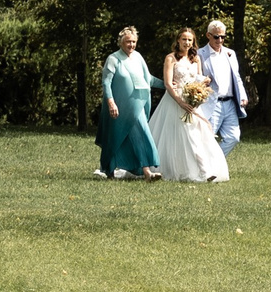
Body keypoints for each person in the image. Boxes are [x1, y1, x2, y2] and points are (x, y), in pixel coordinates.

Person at [148, 27, 230, 184]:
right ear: (178, 40)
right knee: (185, 135)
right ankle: (203, 171)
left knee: (198, 134)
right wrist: (180, 101)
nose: (187, 43)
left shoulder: (196, 58)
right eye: (184, 39)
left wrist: (203, 86)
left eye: (190, 40)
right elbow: (167, 83)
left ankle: (205, 170)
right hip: (175, 100)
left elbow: (198, 79)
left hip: (193, 101)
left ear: (193, 42)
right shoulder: (171, 59)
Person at [94, 26, 161, 181]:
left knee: (142, 135)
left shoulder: (138, 57)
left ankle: (147, 173)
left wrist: (168, 85)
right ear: (120, 42)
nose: (131, 45)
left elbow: (148, 79)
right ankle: (109, 171)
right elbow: (106, 83)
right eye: (128, 42)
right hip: (119, 107)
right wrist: (111, 103)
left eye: (134, 41)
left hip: (137, 107)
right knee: (114, 137)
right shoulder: (113, 59)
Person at [198, 18, 253, 156]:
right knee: (207, 138)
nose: (220, 40)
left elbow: (236, 77)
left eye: (223, 36)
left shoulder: (230, 53)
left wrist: (243, 95)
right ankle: (205, 169)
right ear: (208, 35)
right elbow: (195, 76)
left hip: (230, 103)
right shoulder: (200, 54)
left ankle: (216, 163)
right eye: (216, 37)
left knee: (233, 137)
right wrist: (202, 81)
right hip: (212, 102)